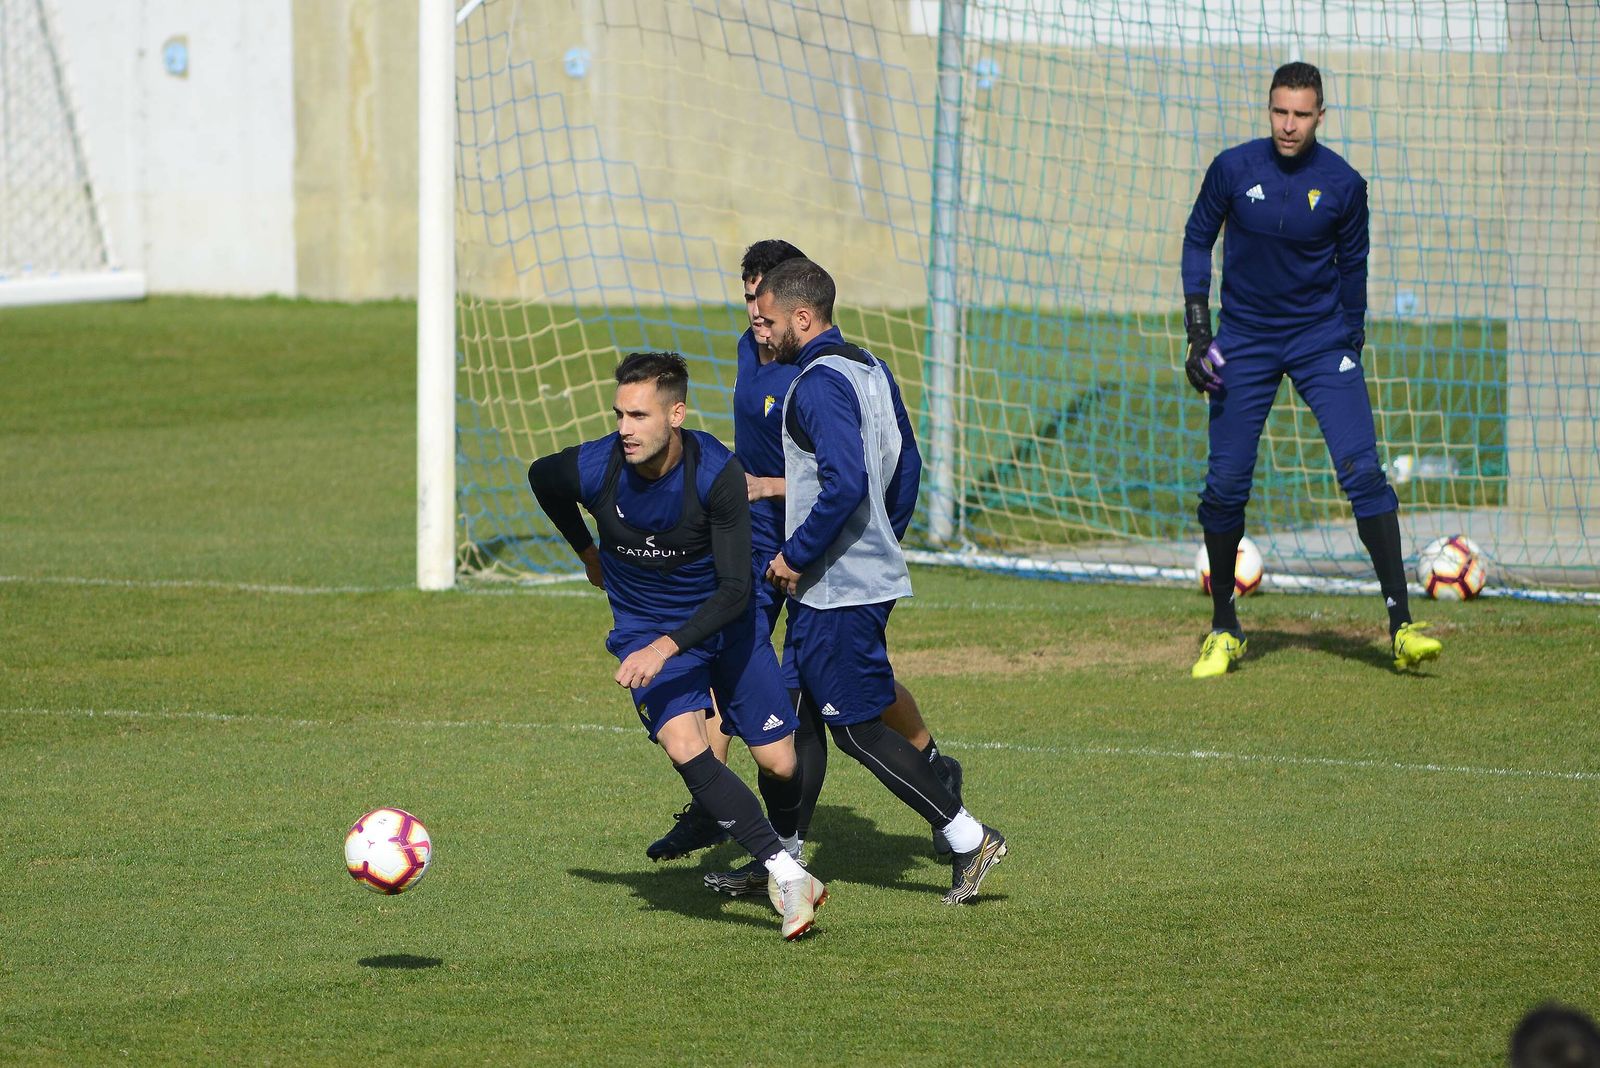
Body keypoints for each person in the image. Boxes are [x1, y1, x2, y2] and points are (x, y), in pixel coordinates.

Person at [649, 240, 965, 885]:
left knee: (843, 706)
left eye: (762, 306)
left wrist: (864, 539)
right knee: (752, 674)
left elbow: (867, 470)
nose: (753, 319)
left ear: (796, 307)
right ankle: (747, 829)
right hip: (759, 549)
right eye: (747, 304)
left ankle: (947, 795)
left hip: (813, 553)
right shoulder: (758, 350)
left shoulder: (829, 374)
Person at [526, 351, 825, 939]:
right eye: (619, 414)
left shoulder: (715, 474)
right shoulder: (596, 467)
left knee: (780, 763)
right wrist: (588, 554)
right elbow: (542, 477)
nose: (624, 429)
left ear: (677, 414)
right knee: (686, 743)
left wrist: (665, 648)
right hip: (643, 628)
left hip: (723, 625)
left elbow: (738, 590)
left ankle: (782, 852)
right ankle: (788, 875)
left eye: (639, 416)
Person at [757, 257, 1007, 905]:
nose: (763, 332)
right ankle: (786, 868)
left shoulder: (813, 385)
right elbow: (909, 463)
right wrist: (885, 539)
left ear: (804, 317)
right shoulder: (869, 368)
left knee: (856, 730)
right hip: (852, 575)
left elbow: (845, 483)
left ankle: (967, 835)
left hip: (837, 584)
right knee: (805, 716)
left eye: (771, 321)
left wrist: (796, 555)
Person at [1181, 61, 1443, 678]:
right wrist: (1199, 335)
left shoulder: (1345, 184)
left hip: (1322, 342)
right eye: (1279, 111)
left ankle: (1401, 626)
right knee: (1225, 486)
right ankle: (1225, 628)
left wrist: (1348, 343)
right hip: (1243, 340)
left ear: (1321, 116)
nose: (1288, 125)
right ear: (1268, 109)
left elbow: (1355, 271)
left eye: (1301, 114)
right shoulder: (1233, 168)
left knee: (1363, 472)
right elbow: (1198, 240)